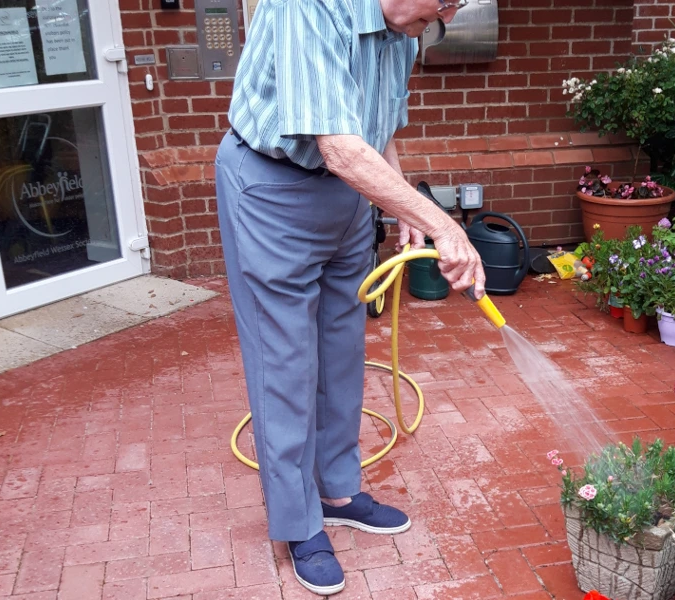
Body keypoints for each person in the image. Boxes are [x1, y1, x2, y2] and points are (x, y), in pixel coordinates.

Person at [214, 0, 485, 595]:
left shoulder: (404, 25)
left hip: (345, 196)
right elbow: (337, 144)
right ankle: (298, 522)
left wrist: (400, 201)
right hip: (271, 187)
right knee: (285, 361)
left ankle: (338, 490)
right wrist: (441, 223)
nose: (436, 23)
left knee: (341, 349)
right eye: (438, 7)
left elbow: (374, 132)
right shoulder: (307, 7)